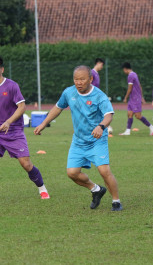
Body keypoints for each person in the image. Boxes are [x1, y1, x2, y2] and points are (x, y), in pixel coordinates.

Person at [34, 65, 122, 211]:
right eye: (76, 79)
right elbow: (58, 108)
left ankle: (116, 201)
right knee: (72, 173)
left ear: (91, 79)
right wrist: (43, 123)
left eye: (82, 79)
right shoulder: (69, 92)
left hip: (97, 140)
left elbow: (109, 115)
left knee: (104, 171)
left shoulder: (99, 96)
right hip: (79, 141)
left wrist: (101, 127)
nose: (79, 82)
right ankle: (96, 189)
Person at [0, 56, 49, 200]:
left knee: (26, 164)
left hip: (14, 132)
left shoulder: (12, 86)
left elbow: (22, 107)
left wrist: (8, 122)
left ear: (2, 69)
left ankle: (42, 189)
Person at [119, 62, 153, 136]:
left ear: (125, 69)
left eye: (123, 70)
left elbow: (130, 88)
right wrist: (142, 96)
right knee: (129, 114)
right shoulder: (134, 74)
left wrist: (125, 97)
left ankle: (151, 127)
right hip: (133, 98)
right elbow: (140, 86)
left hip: (135, 98)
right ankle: (127, 131)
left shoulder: (130, 76)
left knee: (138, 116)